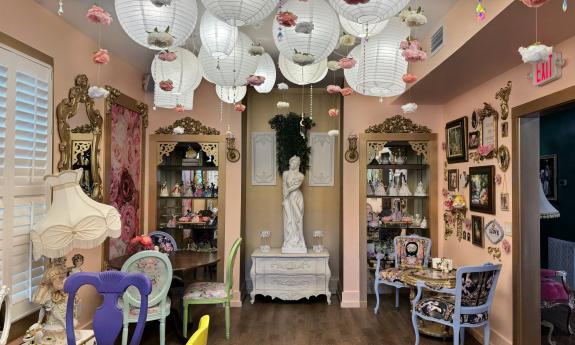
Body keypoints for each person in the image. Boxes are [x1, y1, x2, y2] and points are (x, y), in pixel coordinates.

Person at [282, 156, 306, 252]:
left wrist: (288, 191)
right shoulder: (285, 174)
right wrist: (285, 196)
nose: (292, 164)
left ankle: (299, 240)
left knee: (298, 218)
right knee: (289, 219)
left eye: (294, 162)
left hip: (297, 197)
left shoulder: (301, 175)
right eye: (291, 162)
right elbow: (284, 186)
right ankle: (289, 241)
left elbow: (295, 186)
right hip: (288, 199)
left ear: (297, 164)